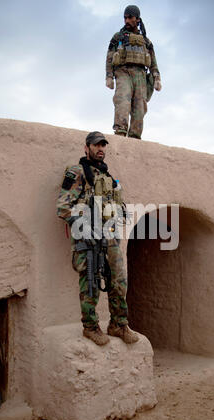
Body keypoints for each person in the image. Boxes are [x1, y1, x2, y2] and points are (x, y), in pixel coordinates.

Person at [56, 131, 139, 346]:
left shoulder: (108, 176)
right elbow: (63, 207)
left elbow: (117, 205)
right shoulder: (77, 172)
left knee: (119, 280)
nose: (100, 148)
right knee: (90, 282)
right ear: (86, 148)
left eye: (103, 145)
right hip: (88, 238)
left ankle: (119, 324)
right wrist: (84, 227)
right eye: (96, 145)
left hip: (110, 236)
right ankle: (90, 327)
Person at [106, 5, 161, 139]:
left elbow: (153, 62)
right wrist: (109, 76)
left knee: (139, 108)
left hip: (140, 76)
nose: (126, 21)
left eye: (130, 17)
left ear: (137, 19)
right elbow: (109, 56)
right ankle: (120, 133)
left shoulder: (146, 42)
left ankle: (134, 140)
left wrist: (157, 78)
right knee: (122, 101)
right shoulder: (118, 37)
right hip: (123, 72)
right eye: (125, 18)